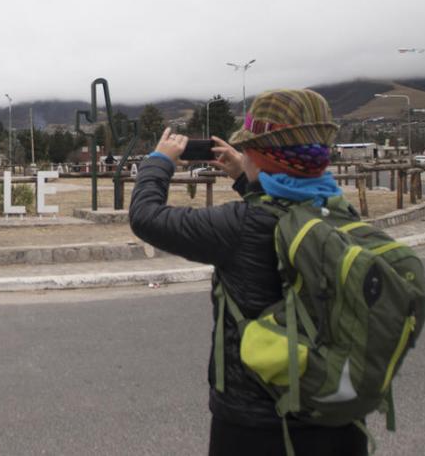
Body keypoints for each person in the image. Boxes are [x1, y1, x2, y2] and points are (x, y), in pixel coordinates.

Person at [128, 88, 366, 456]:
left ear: (258, 155)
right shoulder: (340, 214)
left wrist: (159, 161)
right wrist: (246, 177)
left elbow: (146, 217)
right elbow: (286, 204)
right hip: (338, 419)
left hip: (256, 426)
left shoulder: (241, 227)